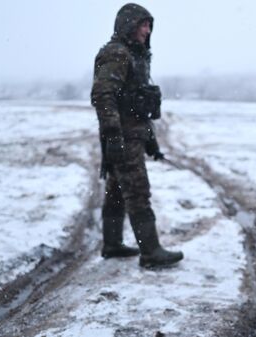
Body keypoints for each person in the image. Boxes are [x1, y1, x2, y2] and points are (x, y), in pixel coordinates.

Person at [91, 3, 183, 268]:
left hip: (133, 135)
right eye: (142, 24)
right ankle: (151, 252)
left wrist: (152, 143)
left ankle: (112, 244)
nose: (147, 29)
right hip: (123, 137)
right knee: (137, 191)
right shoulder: (117, 54)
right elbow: (103, 96)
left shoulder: (135, 55)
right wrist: (113, 137)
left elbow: (138, 106)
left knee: (117, 190)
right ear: (128, 25)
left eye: (149, 25)